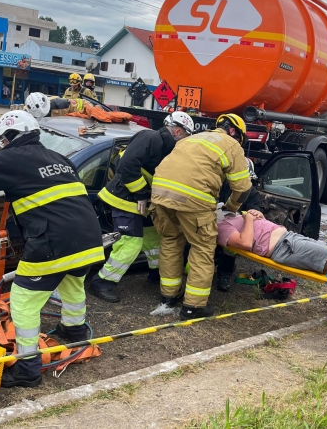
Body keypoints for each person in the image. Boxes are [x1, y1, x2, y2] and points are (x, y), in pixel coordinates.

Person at [0, 110, 105, 387]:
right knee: (73, 283)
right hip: (88, 238)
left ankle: (28, 367)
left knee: (24, 301)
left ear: (7, 138)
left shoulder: (12, 157)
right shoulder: (58, 159)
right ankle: (74, 331)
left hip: (54, 243)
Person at [151, 114, 252, 319]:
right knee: (202, 248)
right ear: (234, 132)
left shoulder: (191, 138)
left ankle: (168, 297)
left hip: (160, 195)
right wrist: (232, 207)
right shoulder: (232, 145)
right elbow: (242, 189)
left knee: (170, 241)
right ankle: (193, 307)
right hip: (193, 200)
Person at [89, 111, 195, 302]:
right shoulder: (151, 137)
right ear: (178, 131)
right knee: (131, 243)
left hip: (142, 202)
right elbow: (127, 166)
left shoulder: (167, 149)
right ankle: (102, 282)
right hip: (125, 198)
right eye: (186, 136)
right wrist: (141, 193)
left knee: (154, 238)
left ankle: (156, 274)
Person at [217, 209, 327, 274]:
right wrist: (249, 219)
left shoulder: (228, 215)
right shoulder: (221, 227)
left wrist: (259, 217)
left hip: (289, 237)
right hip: (284, 247)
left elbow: (255, 232)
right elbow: (245, 243)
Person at [215, 157, 261, 291]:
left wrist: (247, 215)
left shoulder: (251, 192)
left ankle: (224, 274)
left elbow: (255, 212)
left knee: (230, 249)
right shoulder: (220, 184)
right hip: (214, 221)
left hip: (234, 227)